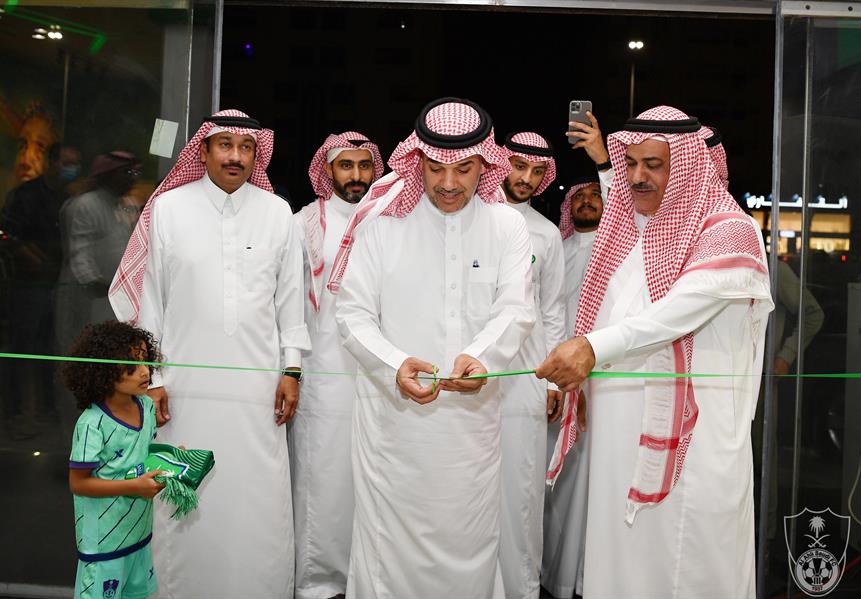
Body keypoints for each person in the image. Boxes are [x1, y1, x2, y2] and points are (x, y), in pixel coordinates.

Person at [538, 106, 773, 598]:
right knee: (619, 559)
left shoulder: (729, 230)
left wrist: (592, 349)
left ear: (686, 167)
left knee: (686, 563)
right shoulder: (634, 232)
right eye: (630, 163)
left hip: (696, 444)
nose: (637, 176)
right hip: (617, 438)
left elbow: (677, 312)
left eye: (654, 164)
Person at [331, 97, 535, 598]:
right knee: (389, 549)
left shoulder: (507, 225)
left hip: (471, 428)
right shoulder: (382, 224)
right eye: (436, 168)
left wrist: (482, 356)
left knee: (470, 537)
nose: (448, 183)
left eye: (463, 169)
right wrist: (395, 363)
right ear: (416, 160)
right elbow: (352, 314)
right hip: (393, 425)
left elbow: (516, 309)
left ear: (485, 164)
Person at [109, 109, 310, 599]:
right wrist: (153, 378)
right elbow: (151, 301)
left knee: (257, 495)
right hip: (183, 387)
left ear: (256, 154)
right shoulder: (169, 208)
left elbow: (291, 300)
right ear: (203, 150)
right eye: (225, 145)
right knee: (184, 490)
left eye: (246, 147)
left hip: (258, 387)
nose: (235, 156)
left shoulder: (277, 213)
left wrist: (292, 370)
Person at [290, 131, 383, 599]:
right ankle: (319, 580)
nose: (356, 175)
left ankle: (367, 575)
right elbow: (289, 301)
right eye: (346, 165)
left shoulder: (388, 216)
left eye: (365, 165)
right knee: (322, 475)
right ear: (328, 170)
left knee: (372, 475)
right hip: (323, 370)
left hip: (378, 375)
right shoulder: (304, 222)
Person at [498, 131, 566, 599]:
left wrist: (553, 383)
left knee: (521, 484)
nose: (526, 178)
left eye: (537, 171)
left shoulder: (547, 233)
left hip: (526, 376)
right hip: (475, 374)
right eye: (519, 166)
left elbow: (553, 310)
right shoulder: (475, 217)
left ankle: (520, 586)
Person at [62, 320, 163, 599]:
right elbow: (78, 483)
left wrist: (171, 459)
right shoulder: (91, 424)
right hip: (104, 545)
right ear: (104, 371)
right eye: (131, 365)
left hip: (139, 535)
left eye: (145, 360)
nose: (145, 371)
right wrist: (134, 487)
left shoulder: (146, 406)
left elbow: (139, 456)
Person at [541, 178, 603, 599]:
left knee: (585, 484)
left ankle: (578, 579)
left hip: (597, 384)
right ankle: (550, 574)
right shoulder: (556, 250)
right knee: (550, 481)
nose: (586, 201)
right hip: (552, 382)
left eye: (595, 195)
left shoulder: (613, 252)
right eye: (578, 196)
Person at [0, 142, 81, 438]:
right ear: (51, 162)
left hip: (57, 283)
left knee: (50, 349)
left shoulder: (68, 198)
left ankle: (47, 410)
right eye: (67, 162)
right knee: (22, 349)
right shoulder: (26, 195)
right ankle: (15, 413)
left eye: (76, 164)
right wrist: (33, 258)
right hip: (28, 284)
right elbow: (6, 234)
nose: (72, 169)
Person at [55, 151, 142, 353]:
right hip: (86, 296)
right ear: (108, 174)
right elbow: (79, 252)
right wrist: (93, 282)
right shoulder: (85, 204)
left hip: (114, 297)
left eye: (135, 173)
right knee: (80, 349)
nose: (132, 178)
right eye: (126, 173)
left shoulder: (128, 205)